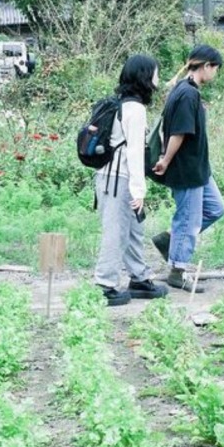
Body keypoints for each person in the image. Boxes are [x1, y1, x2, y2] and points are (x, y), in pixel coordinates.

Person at [93, 54, 170, 306]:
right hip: (119, 180)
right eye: (155, 72)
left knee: (134, 228)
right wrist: (138, 190)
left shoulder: (123, 104)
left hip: (111, 177)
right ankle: (105, 284)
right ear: (145, 76)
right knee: (116, 231)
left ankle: (139, 277)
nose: (158, 77)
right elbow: (135, 151)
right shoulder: (135, 110)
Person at [150, 44, 224, 292]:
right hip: (186, 169)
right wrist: (166, 160)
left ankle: (171, 239)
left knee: (216, 208)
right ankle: (178, 271)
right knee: (188, 220)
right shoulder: (186, 94)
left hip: (199, 167)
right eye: (215, 68)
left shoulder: (186, 90)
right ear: (206, 66)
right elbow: (178, 133)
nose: (215, 74)